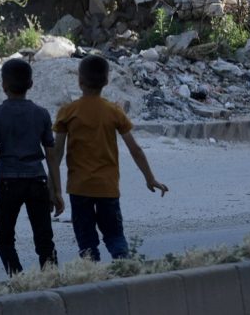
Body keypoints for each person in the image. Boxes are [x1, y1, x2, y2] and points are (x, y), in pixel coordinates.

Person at [53, 54, 169, 261]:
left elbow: (56, 154)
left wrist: (54, 189)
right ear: (106, 81)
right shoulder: (114, 111)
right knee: (115, 235)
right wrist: (150, 178)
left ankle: (91, 272)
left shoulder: (67, 112)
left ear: (80, 80)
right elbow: (135, 149)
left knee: (86, 240)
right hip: (107, 187)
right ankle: (124, 265)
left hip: (79, 188)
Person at [0, 58, 64, 276]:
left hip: (8, 181)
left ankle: (18, 278)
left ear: (3, 85)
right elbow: (51, 155)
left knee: (4, 238)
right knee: (44, 238)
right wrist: (56, 190)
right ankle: (51, 278)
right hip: (37, 180)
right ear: (31, 84)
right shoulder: (42, 113)